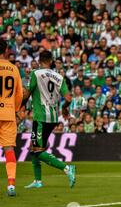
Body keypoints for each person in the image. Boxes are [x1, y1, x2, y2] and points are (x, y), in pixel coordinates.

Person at [21, 50, 76, 189]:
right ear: (51, 61)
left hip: (40, 117)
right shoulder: (59, 76)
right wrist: (64, 109)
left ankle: (66, 168)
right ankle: (38, 181)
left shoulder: (35, 73)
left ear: (39, 60)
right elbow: (69, 98)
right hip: (53, 117)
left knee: (38, 150)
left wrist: (19, 107)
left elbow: (26, 94)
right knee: (34, 147)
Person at [0, 38, 23, 196]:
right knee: (9, 149)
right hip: (8, 113)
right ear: (6, 50)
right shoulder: (13, 68)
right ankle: (11, 184)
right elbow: (19, 94)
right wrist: (15, 110)